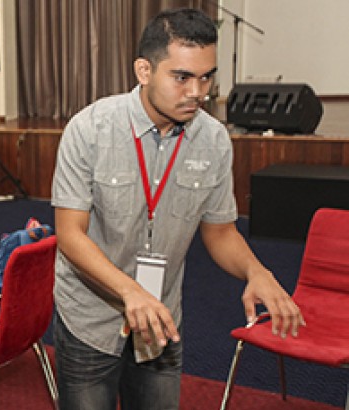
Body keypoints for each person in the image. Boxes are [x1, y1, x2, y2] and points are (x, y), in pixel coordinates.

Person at [51, 8, 305, 410]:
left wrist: (257, 271)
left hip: (162, 322)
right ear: (144, 70)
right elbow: (69, 234)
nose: (198, 92)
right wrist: (130, 291)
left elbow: (220, 231)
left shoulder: (214, 140)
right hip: (90, 319)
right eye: (182, 77)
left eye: (207, 77)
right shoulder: (90, 130)